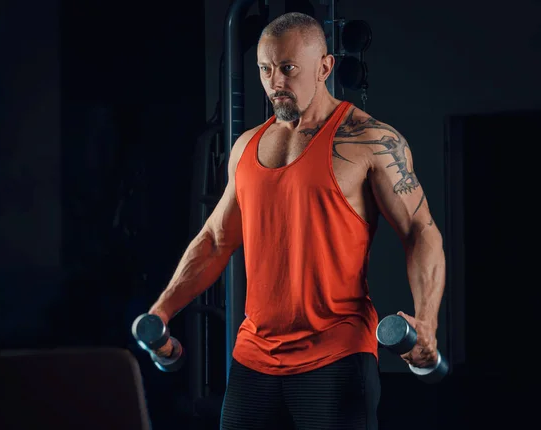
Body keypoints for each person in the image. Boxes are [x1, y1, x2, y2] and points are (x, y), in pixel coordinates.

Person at [146, 11, 445, 430]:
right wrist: (161, 312)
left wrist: (427, 322)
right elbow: (215, 239)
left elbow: (420, 231)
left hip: (337, 354)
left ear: (325, 67)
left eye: (288, 69)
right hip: (254, 358)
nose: (275, 83)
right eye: (265, 70)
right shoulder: (247, 145)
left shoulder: (370, 141)